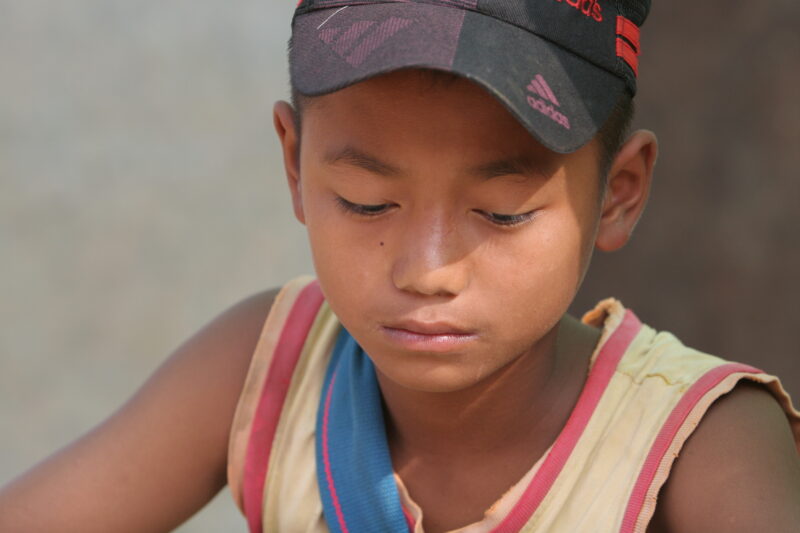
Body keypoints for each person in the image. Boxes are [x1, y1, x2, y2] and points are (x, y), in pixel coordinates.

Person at [2, 0, 799, 531]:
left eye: (502, 212)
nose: (427, 270)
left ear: (618, 195)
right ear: (294, 165)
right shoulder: (271, 368)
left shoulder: (695, 444)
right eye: (365, 201)